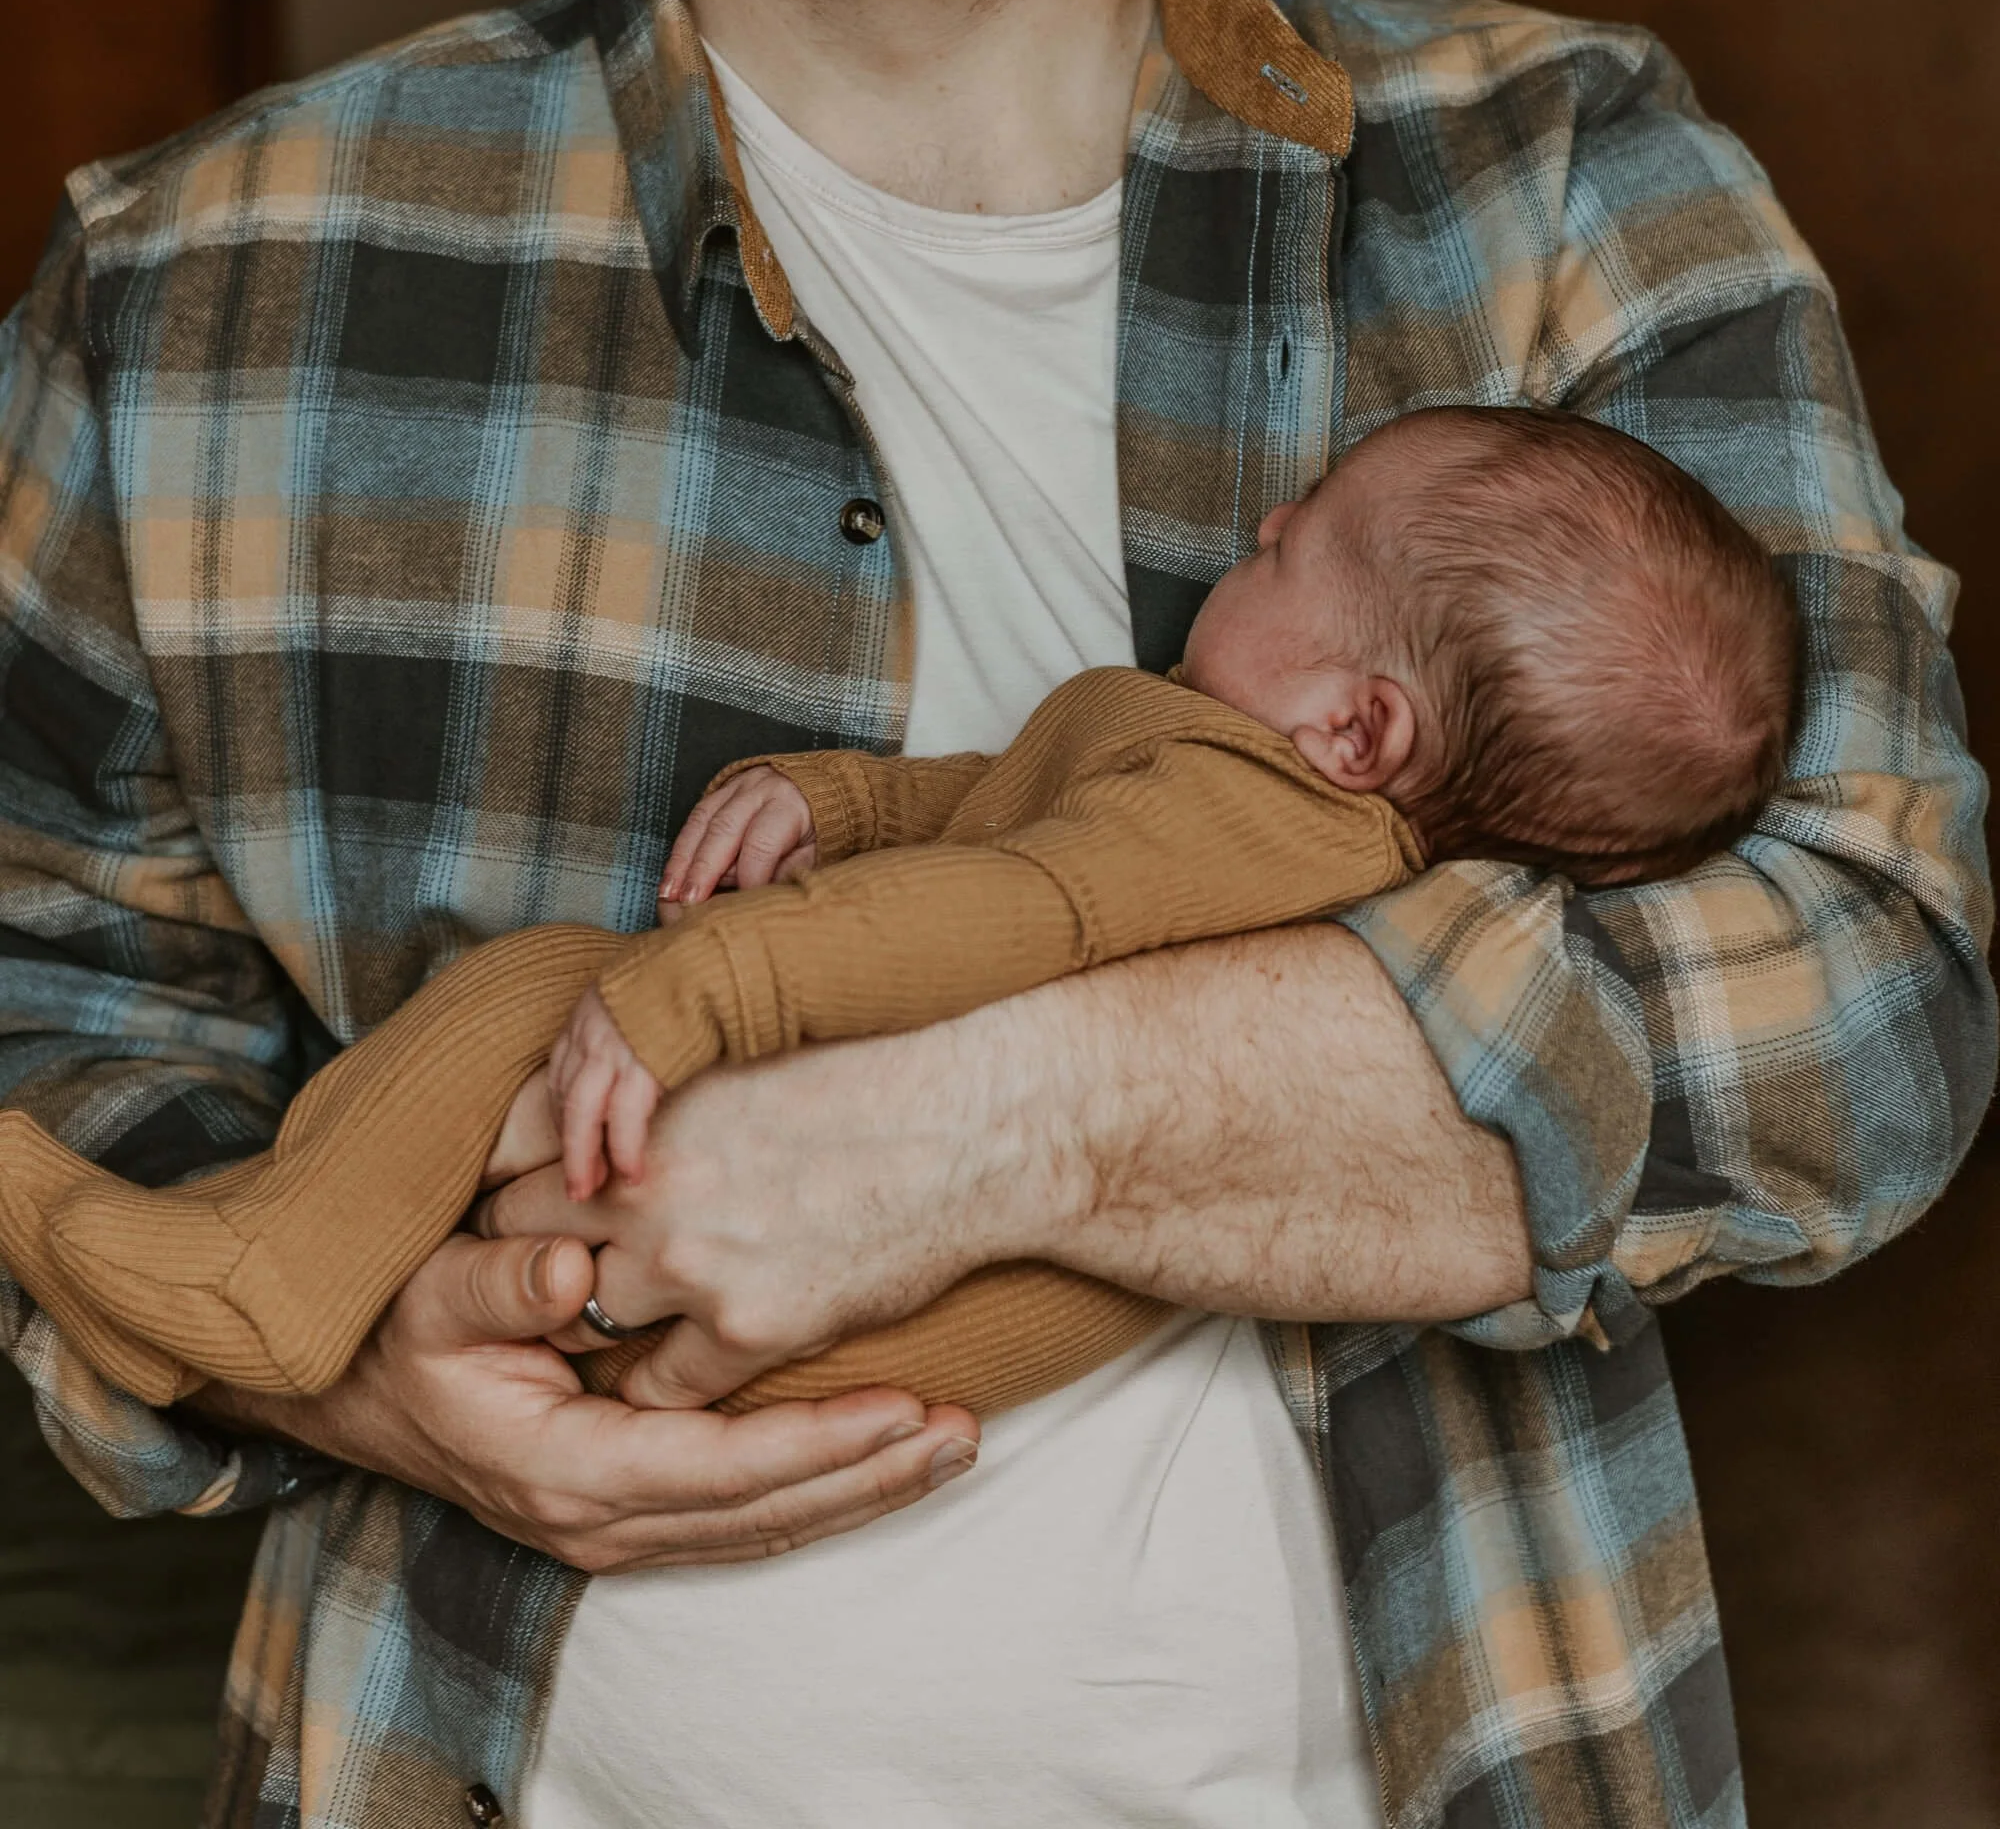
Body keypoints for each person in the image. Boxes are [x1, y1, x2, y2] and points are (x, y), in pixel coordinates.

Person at [0, 0, 1987, 1829]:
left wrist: (967, 1128)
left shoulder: (1569, 182)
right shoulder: (204, 287)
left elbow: (1866, 1005)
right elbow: (52, 980)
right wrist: (357, 1368)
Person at [0, 403, 1800, 1424]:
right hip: (943, 1348)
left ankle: (259, 1278)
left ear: (1358, 729)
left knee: (544, 982)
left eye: (1287, 547)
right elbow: (1000, 813)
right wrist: (843, 799)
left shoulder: (1246, 822)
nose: (1254, 522)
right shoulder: (1259, 801)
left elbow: (1002, 905)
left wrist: (707, 987)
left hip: (894, 1287)